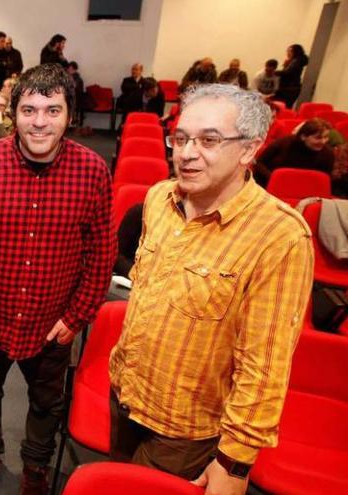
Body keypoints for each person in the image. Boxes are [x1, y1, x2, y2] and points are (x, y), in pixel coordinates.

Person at [109, 84, 314, 495]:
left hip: (183, 431)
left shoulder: (280, 236)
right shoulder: (158, 199)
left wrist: (234, 463)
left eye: (209, 140)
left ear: (249, 149)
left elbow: (265, 367)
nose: (186, 153)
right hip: (125, 396)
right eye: (181, 138)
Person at [0, 63, 115, 495]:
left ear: (68, 115)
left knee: (46, 404)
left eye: (52, 110)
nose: (39, 122)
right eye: (29, 110)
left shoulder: (93, 171)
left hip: (53, 323)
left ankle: (36, 466)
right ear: (14, 113)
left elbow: (101, 254)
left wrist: (78, 317)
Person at [254, 118, 335, 188]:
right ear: (303, 137)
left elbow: (324, 180)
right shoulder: (283, 144)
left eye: (326, 137)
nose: (323, 141)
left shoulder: (328, 154)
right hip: (271, 186)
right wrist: (274, 179)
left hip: (306, 191)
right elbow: (260, 164)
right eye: (318, 138)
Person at [273, 44, 309, 108]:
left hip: (290, 88)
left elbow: (288, 72)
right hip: (289, 87)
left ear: (295, 52)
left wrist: (275, 72)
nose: (288, 53)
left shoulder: (297, 61)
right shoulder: (294, 61)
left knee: (283, 107)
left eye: (289, 51)